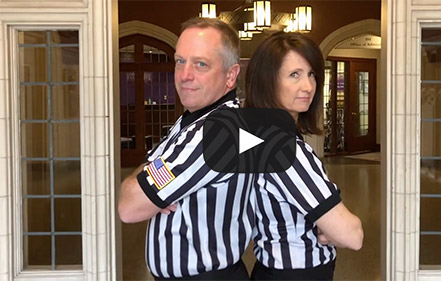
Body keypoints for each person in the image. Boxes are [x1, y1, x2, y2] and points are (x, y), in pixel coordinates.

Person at [118, 18, 254, 280]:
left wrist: (150, 178)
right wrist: (155, 175)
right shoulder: (192, 119)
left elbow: (129, 206)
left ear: (230, 75)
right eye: (180, 61)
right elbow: (141, 181)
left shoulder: (218, 132)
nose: (185, 75)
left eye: (200, 64)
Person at [245, 32, 364, 280]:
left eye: (311, 74)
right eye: (294, 75)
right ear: (268, 82)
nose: (308, 86)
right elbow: (352, 235)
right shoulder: (282, 149)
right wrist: (331, 225)